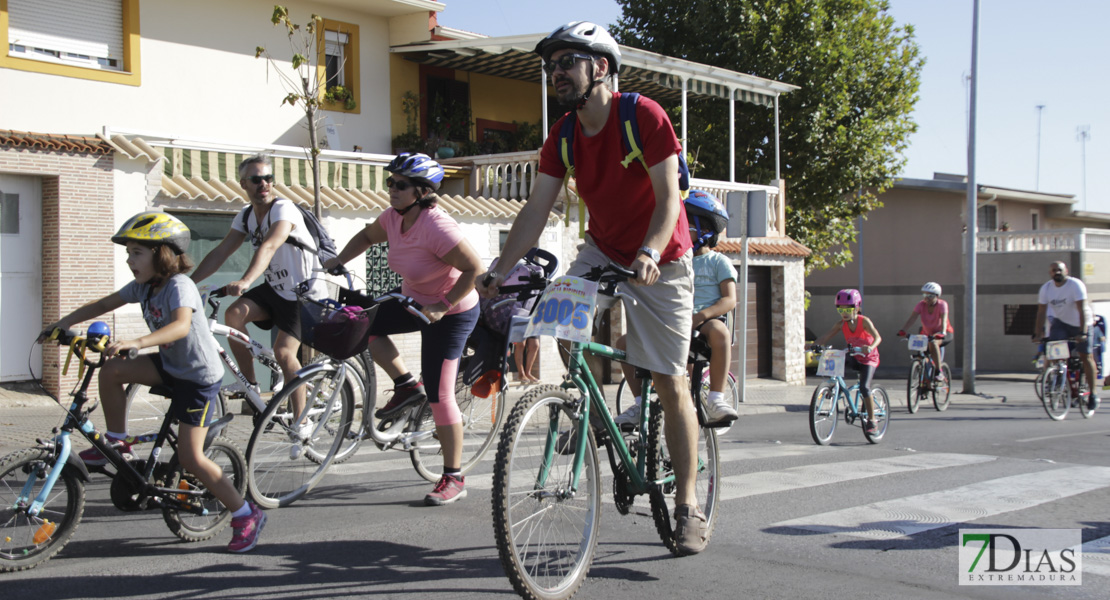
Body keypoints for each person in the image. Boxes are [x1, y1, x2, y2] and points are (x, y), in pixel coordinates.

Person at [476, 21, 709, 555]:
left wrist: (651, 252)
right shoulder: (563, 133)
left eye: (566, 62)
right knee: (559, 314)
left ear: (599, 67)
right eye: (550, 65)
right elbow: (537, 209)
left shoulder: (643, 116)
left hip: (663, 257)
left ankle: (688, 502)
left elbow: (669, 199)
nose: (555, 72)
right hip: (603, 249)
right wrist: (500, 269)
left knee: (671, 383)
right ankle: (591, 410)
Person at [42, 212, 266, 552]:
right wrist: (62, 322)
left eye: (136, 253)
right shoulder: (144, 287)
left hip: (198, 376)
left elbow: (179, 327)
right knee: (112, 370)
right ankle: (118, 441)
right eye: (128, 253)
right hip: (172, 364)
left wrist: (137, 342)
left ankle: (245, 513)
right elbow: (104, 303)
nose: (129, 260)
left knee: (191, 458)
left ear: (161, 254)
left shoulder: (180, 285)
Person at [323, 152, 482, 506]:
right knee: (363, 323)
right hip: (413, 299)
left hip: (452, 311)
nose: (392, 189)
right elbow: (366, 237)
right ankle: (407, 386)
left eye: (400, 184)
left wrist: (442, 306)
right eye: (389, 182)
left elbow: (474, 270)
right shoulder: (393, 219)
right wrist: (337, 261)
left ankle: (454, 477)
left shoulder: (437, 227)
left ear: (423, 191)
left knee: (441, 395)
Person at [192, 154, 326, 416]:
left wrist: (245, 281)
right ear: (243, 184)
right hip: (276, 289)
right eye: (256, 179)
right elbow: (221, 252)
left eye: (268, 178)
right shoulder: (246, 216)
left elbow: (270, 245)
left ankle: (302, 423)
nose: (263, 184)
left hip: (303, 293)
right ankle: (250, 383)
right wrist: (187, 282)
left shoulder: (283, 209)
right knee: (234, 314)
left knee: (284, 354)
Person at [615, 190, 739, 426]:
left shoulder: (718, 262)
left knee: (719, 332)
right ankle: (640, 403)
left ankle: (716, 399)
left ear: (706, 231)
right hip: (672, 318)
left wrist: (700, 316)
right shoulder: (672, 261)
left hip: (704, 321)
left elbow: (729, 300)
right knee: (623, 344)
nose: (680, 227)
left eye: (688, 224)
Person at [812, 289, 883, 435]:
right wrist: (812, 346)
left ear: (857, 307)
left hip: (869, 359)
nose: (844, 313)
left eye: (848, 309)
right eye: (840, 309)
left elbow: (878, 337)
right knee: (836, 357)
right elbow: (826, 337)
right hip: (854, 356)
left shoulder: (864, 321)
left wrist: (870, 347)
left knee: (864, 387)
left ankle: (872, 420)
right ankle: (833, 387)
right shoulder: (841, 324)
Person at [1032, 261, 1099, 411]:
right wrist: (1037, 333)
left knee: (1085, 355)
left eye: (1060, 270)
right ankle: (1057, 378)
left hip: (1082, 322)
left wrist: (1082, 332)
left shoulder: (1075, 285)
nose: (1057, 272)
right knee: (1053, 351)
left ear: (1066, 271)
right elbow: (1041, 311)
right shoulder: (1046, 288)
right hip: (1061, 322)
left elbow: (1081, 309)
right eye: (1054, 270)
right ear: (1050, 273)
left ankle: (1093, 393)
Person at [896, 282, 954, 385]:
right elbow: (912, 318)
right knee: (920, 352)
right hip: (927, 334)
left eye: (930, 296)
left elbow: (944, 319)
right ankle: (924, 378)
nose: (927, 298)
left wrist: (943, 332)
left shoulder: (942, 304)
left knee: (934, 343)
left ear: (937, 296)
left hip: (944, 333)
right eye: (925, 295)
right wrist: (903, 330)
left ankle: (938, 371)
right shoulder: (921, 304)